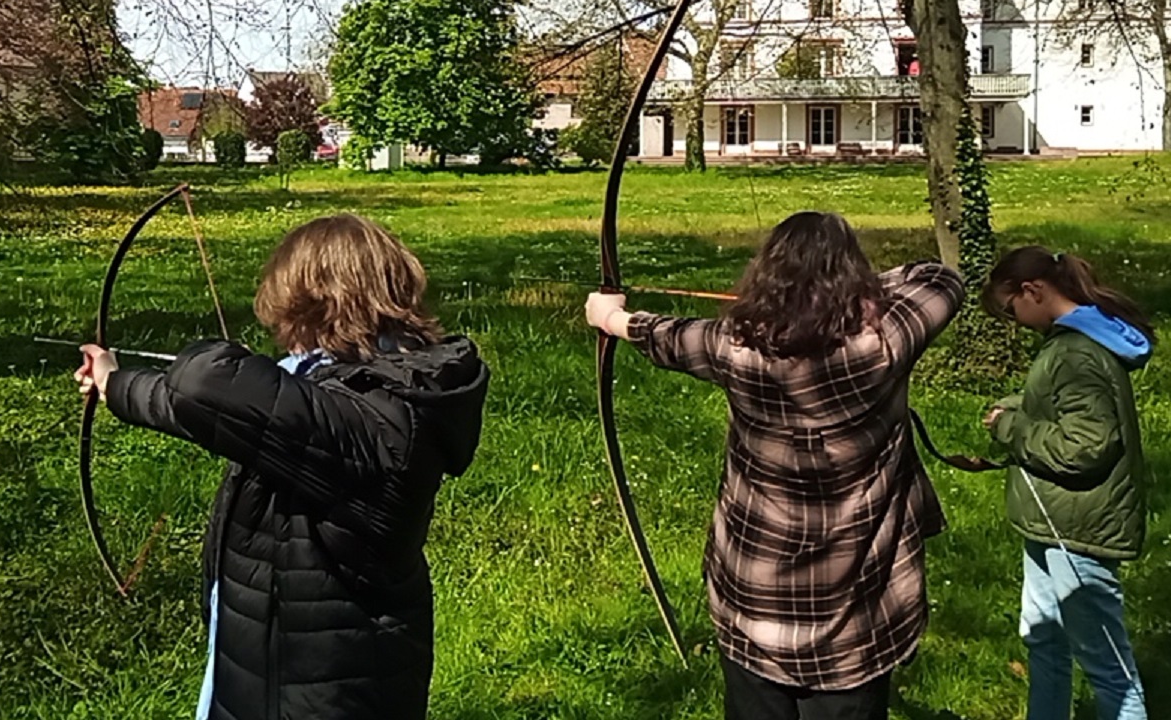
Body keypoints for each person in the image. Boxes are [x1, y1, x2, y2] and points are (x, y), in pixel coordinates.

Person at [77, 214, 488, 720]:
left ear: (315, 302)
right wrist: (115, 383)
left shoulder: (376, 418)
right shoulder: (351, 396)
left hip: (324, 690)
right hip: (277, 671)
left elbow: (203, 384)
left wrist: (250, 368)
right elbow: (200, 409)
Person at [585, 211, 964, 720]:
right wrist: (858, 292)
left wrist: (611, 318)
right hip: (856, 621)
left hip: (755, 602)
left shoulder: (733, 348)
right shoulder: (889, 339)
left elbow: (666, 336)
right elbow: (941, 277)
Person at [981, 247, 1151, 720]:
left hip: (1076, 530)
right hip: (1048, 522)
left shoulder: (1077, 352)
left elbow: (1085, 446)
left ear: (1032, 291)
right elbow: (1066, 409)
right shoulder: (1074, 341)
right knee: (1043, 640)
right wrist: (1018, 408)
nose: (1012, 320)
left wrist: (1009, 428)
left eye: (1010, 307)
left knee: (1106, 666)